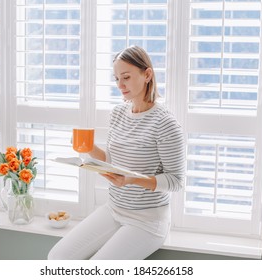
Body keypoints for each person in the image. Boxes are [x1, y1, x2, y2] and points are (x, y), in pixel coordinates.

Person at [47, 45, 185, 260]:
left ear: (147, 74)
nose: (120, 85)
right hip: (113, 209)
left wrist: (132, 180)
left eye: (126, 77)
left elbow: (176, 181)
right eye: (116, 79)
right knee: (58, 258)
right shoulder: (118, 113)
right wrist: (88, 148)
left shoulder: (165, 123)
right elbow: (112, 161)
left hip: (148, 220)